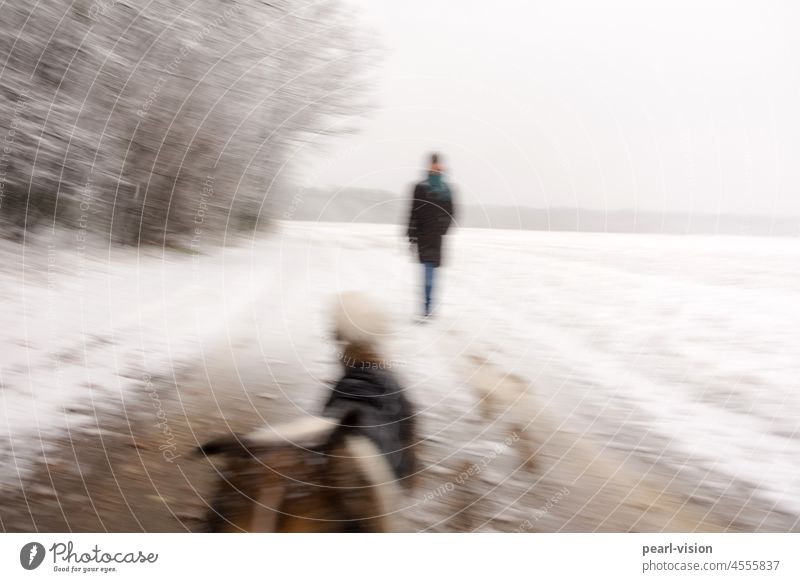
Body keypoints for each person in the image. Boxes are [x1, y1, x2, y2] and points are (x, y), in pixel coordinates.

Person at [406, 153, 456, 319]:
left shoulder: (446, 190)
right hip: (422, 236)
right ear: (428, 167)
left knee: (430, 273)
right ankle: (427, 308)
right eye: (432, 165)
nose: (434, 167)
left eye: (437, 165)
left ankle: (427, 308)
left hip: (436, 237)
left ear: (441, 167)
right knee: (427, 273)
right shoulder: (420, 187)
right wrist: (411, 234)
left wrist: (442, 229)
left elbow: (451, 214)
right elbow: (413, 211)